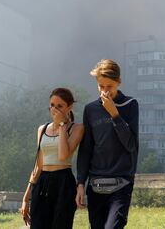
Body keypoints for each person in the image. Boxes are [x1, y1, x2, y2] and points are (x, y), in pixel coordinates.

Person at [76, 59, 139, 229]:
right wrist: (80, 183)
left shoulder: (130, 105)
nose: (105, 91)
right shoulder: (90, 110)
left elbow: (131, 145)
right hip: (95, 184)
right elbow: (86, 148)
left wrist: (115, 115)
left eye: (109, 86)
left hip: (122, 183)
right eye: (101, 86)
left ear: (118, 82)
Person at [21, 88, 84, 228]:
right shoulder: (42, 129)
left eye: (60, 106)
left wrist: (61, 124)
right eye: (52, 105)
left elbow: (63, 156)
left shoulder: (77, 128)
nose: (54, 109)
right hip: (42, 182)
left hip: (63, 182)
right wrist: (26, 198)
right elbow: (39, 164)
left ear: (69, 107)